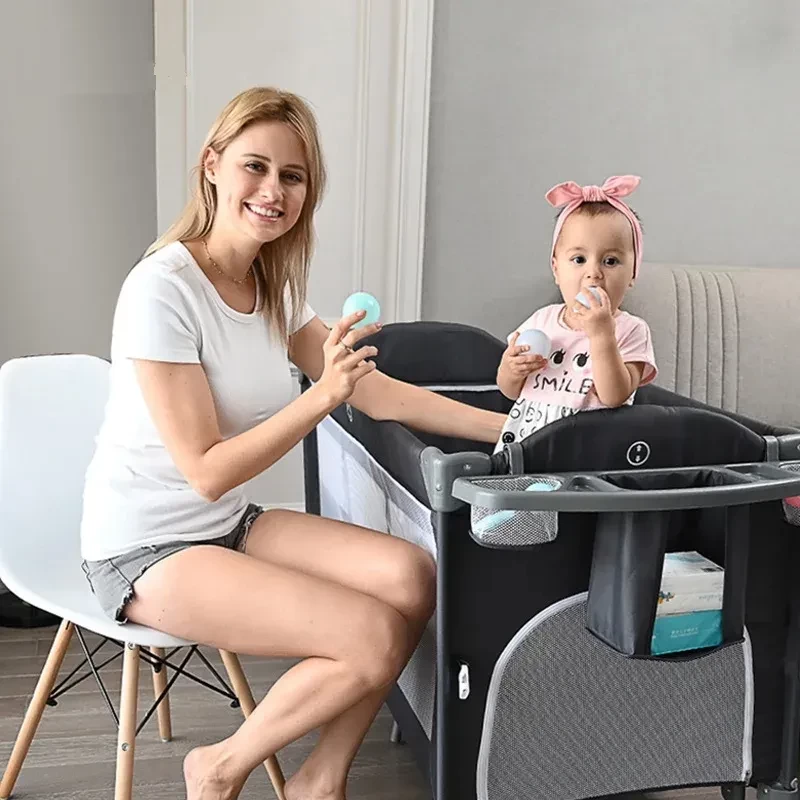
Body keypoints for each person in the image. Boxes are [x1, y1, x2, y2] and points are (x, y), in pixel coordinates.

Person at [79, 86, 506, 800]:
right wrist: (320, 398)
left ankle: (318, 781)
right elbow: (206, 471)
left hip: (227, 527)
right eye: (256, 166)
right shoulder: (162, 289)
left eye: (293, 176)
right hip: (145, 549)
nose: (273, 191)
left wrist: (516, 427)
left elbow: (375, 392)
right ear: (212, 165)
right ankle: (218, 768)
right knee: (371, 635)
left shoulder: (271, 285)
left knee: (412, 576)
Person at [495, 175, 658, 452]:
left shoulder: (631, 330)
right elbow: (509, 390)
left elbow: (615, 396)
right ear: (556, 269)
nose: (593, 273)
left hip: (586, 455)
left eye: (610, 261)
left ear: (633, 273)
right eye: (579, 259)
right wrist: (511, 370)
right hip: (527, 449)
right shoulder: (542, 321)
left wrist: (602, 335)